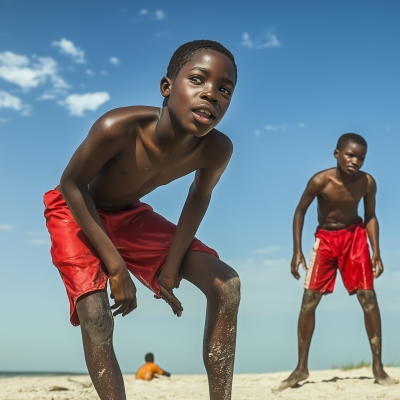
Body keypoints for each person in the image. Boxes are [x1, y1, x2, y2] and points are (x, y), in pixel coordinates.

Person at [44, 40, 240, 400]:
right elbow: (70, 183)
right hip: (76, 208)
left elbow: (199, 196)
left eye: (224, 90)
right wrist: (117, 269)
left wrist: (170, 268)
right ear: (167, 87)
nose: (212, 95)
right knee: (97, 314)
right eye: (198, 80)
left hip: (128, 214)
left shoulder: (216, 149)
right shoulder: (119, 126)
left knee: (226, 285)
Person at [274, 133, 399, 392]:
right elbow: (300, 211)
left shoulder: (367, 182)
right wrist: (297, 251)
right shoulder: (321, 180)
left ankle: (378, 367)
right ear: (337, 154)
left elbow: (371, 215)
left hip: (355, 238)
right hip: (326, 239)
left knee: (368, 298)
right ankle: (301, 368)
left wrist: (376, 250)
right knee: (309, 301)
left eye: (361, 157)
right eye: (350, 155)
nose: (356, 161)